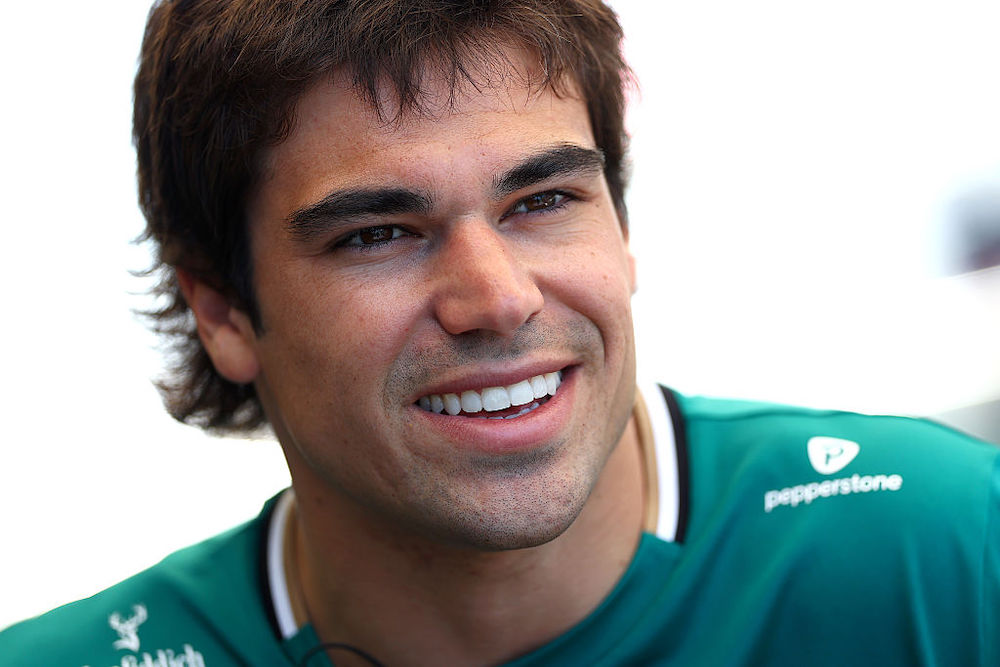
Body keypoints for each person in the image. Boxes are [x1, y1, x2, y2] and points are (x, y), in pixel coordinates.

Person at [1, 1, 997, 665]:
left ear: (621, 227)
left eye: (543, 200)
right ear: (222, 310)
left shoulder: (950, 546)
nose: (499, 297)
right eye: (378, 233)